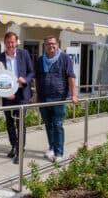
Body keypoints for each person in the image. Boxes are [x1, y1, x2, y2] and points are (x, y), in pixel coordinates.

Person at [35, 35, 78, 163]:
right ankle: (52, 148)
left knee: (58, 125)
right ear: (45, 46)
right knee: (48, 125)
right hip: (43, 98)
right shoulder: (40, 60)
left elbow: (71, 77)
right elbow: (37, 78)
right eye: (48, 44)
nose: (51, 46)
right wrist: (37, 95)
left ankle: (59, 153)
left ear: (57, 44)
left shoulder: (65, 58)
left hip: (59, 98)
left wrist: (74, 95)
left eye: (53, 44)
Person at [0, 32, 34, 164]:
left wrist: (25, 80)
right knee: (9, 122)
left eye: (13, 42)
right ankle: (13, 145)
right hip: (8, 94)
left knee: (20, 122)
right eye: (8, 42)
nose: (11, 44)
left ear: (17, 42)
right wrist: (6, 93)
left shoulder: (24, 54)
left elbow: (31, 71)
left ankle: (20, 149)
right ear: (4, 43)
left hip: (22, 93)